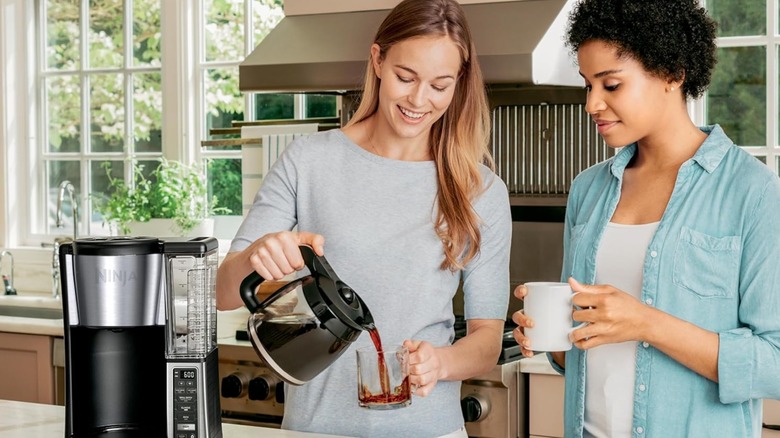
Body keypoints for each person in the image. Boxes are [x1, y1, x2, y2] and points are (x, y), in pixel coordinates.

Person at [216, 0, 511, 436]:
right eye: (405, 77)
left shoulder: (480, 190)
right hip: (314, 428)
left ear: (460, 83)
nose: (418, 99)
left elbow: (487, 339)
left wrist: (442, 361)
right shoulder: (309, 161)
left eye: (439, 85)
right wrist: (258, 256)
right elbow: (222, 294)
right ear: (378, 60)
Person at [511, 0, 780, 437]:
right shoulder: (588, 189)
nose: (591, 104)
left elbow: (775, 362)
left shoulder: (753, 192)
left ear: (673, 73)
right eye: (587, 85)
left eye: (611, 85)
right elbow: (578, 348)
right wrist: (549, 338)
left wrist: (646, 322)